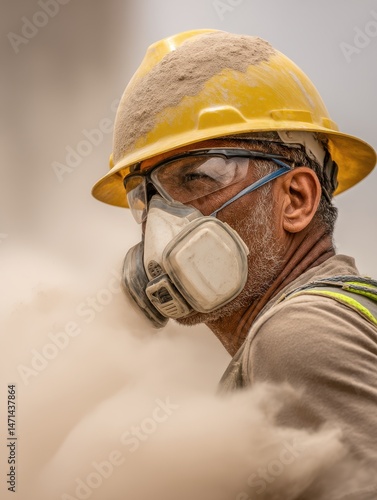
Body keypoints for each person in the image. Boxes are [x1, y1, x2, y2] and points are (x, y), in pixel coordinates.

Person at [92, 30, 377, 475]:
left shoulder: (294, 340)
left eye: (196, 178)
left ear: (296, 198)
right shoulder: (330, 320)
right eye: (145, 199)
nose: (160, 227)